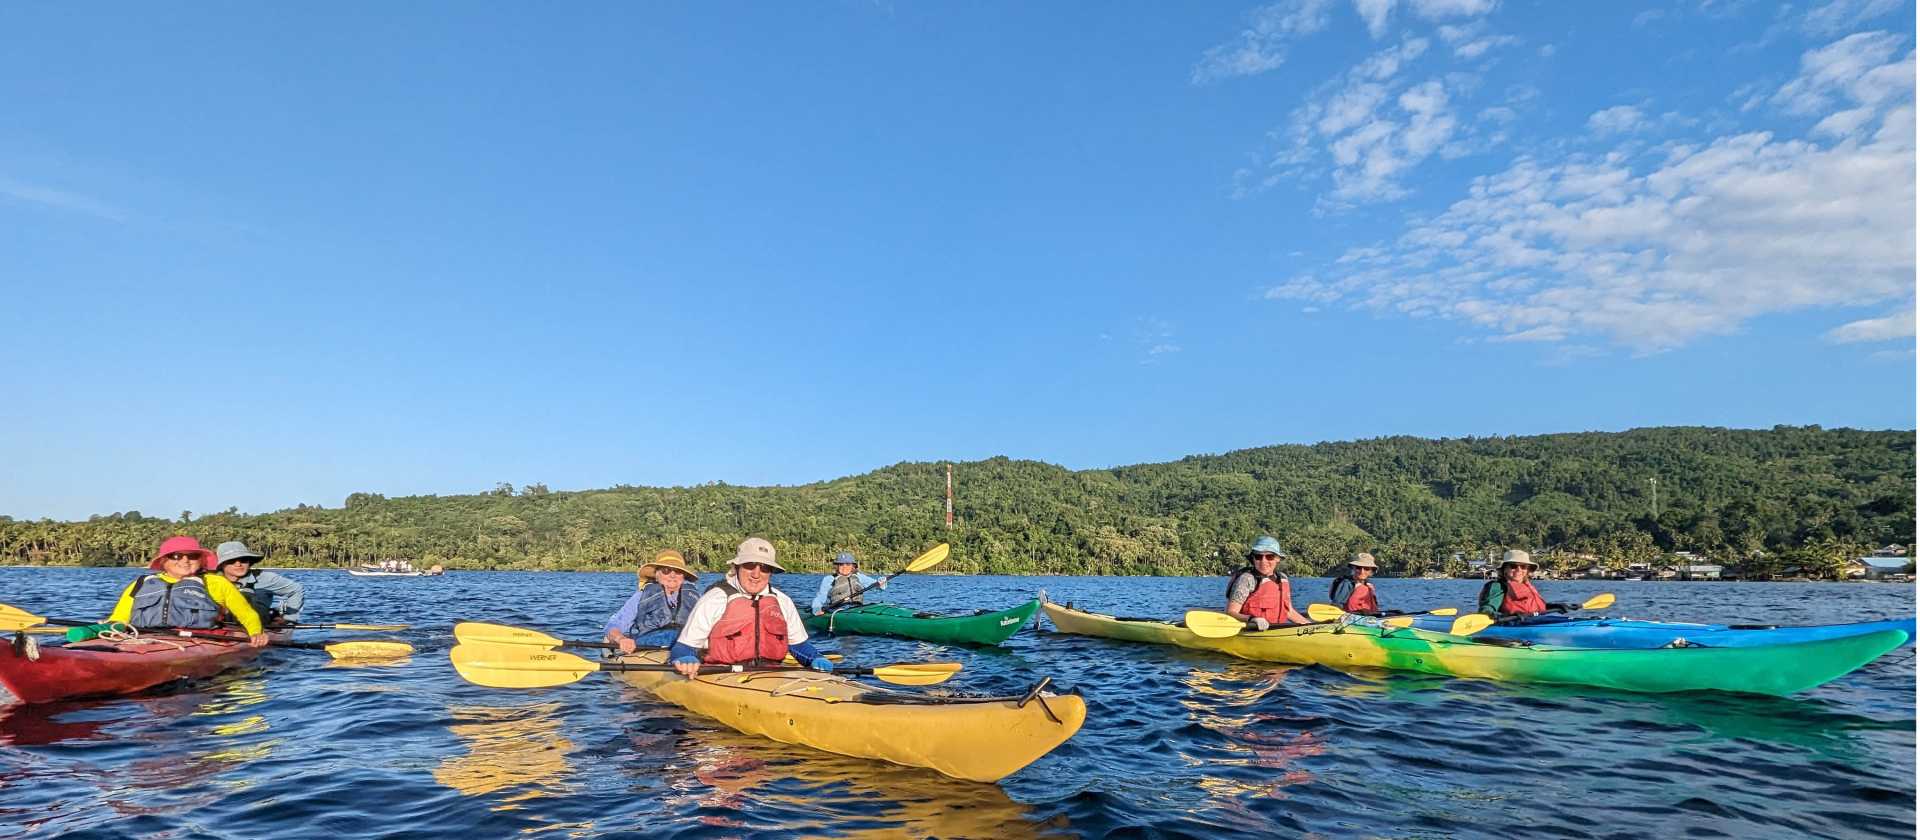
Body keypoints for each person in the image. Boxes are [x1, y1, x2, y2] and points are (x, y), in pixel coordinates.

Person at [670, 538, 832, 677]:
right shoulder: (714, 599)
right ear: (737, 567)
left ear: (771, 572)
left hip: (771, 675)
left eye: (764, 568)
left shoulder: (783, 601)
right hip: (720, 673)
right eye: (750, 565)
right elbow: (684, 647)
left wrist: (815, 658)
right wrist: (684, 657)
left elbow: (798, 645)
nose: (756, 574)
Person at [106, 536, 267, 646]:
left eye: (192, 556)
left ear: (201, 560)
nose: (185, 561)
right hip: (143, 639)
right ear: (163, 561)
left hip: (199, 641)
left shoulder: (217, 583)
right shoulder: (142, 583)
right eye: (176, 556)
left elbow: (247, 614)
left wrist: (255, 633)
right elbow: (119, 618)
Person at [604, 549, 701, 653]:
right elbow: (614, 624)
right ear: (656, 575)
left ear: (683, 576)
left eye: (678, 571)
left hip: (687, 642)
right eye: (666, 571)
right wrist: (621, 639)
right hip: (650, 642)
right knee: (672, 635)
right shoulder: (641, 596)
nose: (672, 575)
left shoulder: (696, 597)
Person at [1223, 536, 1309, 630]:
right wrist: (1252, 619)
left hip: (1277, 631)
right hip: (1251, 631)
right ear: (1253, 559)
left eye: (1270, 557)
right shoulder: (1247, 579)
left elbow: (1288, 612)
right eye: (1258, 557)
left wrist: (1311, 626)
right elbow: (1230, 612)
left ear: (1278, 559)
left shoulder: (1283, 579)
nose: (1263, 561)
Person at [213, 541, 305, 627]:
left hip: (260, 625)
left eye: (243, 560)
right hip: (223, 626)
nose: (238, 564)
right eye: (231, 561)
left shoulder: (265, 578)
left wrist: (288, 618)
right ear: (222, 565)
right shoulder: (210, 581)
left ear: (249, 561)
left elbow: (296, 589)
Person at [1478, 549, 1561, 618]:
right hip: (1511, 628)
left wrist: (1554, 606)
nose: (1519, 570)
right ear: (1505, 570)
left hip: (1533, 623)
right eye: (1513, 566)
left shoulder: (1527, 586)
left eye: (1523, 567)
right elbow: (1487, 610)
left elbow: (1533, 607)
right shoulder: (1498, 586)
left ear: (1527, 570)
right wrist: (1506, 616)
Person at [810, 551, 886, 615]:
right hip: (837, 609)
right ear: (837, 566)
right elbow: (820, 598)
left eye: (848, 564)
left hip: (857, 608)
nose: (844, 567)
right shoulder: (829, 579)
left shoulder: (860, 577)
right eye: (841, 564)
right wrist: (816, 609)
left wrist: (881, 583)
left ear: (853, 566)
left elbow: (877, 586)